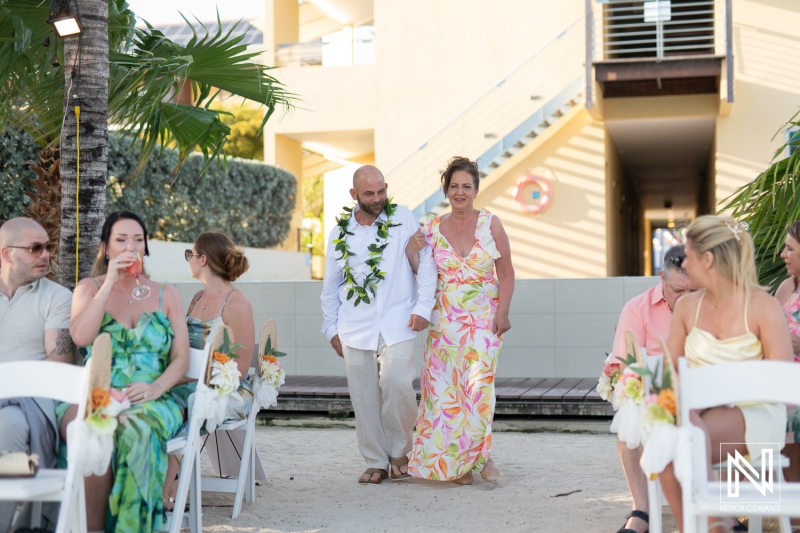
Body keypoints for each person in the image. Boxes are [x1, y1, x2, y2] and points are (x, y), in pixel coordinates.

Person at [659, 215, 792, 533]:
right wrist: (688, 404)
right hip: (697, 410)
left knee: (683, 438)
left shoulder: (762, 306)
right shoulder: (686, 307)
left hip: (754, 410)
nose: (685, 264)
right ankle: (700, 525)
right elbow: (671, 373)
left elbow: (783, 385)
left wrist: (713, 398)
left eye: (689, 256)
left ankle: (711, 523)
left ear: (707, 259)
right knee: (667, 447)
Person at [59, 211, 189, 533]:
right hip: (99, 393)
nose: (131, 246)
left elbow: (182, 357)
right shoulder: (88, 289)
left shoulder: (166, 294)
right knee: (94, 428)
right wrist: (109, 285)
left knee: (137, 428)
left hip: (153, 397)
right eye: (121, 240)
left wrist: (157, 388)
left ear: (145, 248)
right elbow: (81, 338)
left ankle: (133, 527)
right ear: (106, 248)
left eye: (138, 240)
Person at [320, 165, 437, 484]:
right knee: (364, 397)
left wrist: (424, 305)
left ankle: (400, 448)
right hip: (354, 327)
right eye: (369, 194)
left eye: (381, 191)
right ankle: (375, 460)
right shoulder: (339, 232)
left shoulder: (402, 218)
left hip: (399, 322)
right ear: (353, 195)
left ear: (387, 187)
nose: (377, 199)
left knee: (399, 385)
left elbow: (426, 262)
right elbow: (331, 284)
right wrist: (330, 328)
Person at [405, 156, 515, 485]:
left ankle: (482, 457)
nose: (460, 191)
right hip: (445, 323)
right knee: (444, 394)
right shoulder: (432, 228)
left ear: (477, 190)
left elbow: (506, 272)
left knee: (478, 389)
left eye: (466, 186)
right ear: (446, 190)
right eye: (454, 186)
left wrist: (504, 311)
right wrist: (412, 252)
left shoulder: (491, 224)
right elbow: (422, 274)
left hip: (484, 320)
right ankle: (457, 466)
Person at [162, 231, 255, 510]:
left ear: (203, 259)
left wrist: (183, 379)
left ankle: (170, 490)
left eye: (190, 254)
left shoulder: (236, 303)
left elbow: (237, 369)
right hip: (187, 382)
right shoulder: (195, 297)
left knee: (184, 402)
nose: (188, 260)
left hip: (226, 389)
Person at [610, 244, 691, 533]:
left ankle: (722, 509)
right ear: (661, 277)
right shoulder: (637, 308)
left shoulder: (707, 305)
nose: (684, 299)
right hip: (655, 390)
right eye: (677, 291)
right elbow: (628, 366)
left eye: (690, 291)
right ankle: (641, 510)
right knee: (628, 415)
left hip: (700, 389)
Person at [0, 218, 74, 532]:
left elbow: (59, 364)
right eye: (35, 248)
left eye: (48, 246)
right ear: (6, 254)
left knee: (8, 425)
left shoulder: (57, 298)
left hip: (29, 401)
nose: (45, 254)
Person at [775, 221, 800, 515]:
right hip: (778, 382)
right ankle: (744, 510)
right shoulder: (785, 288)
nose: (782, 254)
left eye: (790, 248)